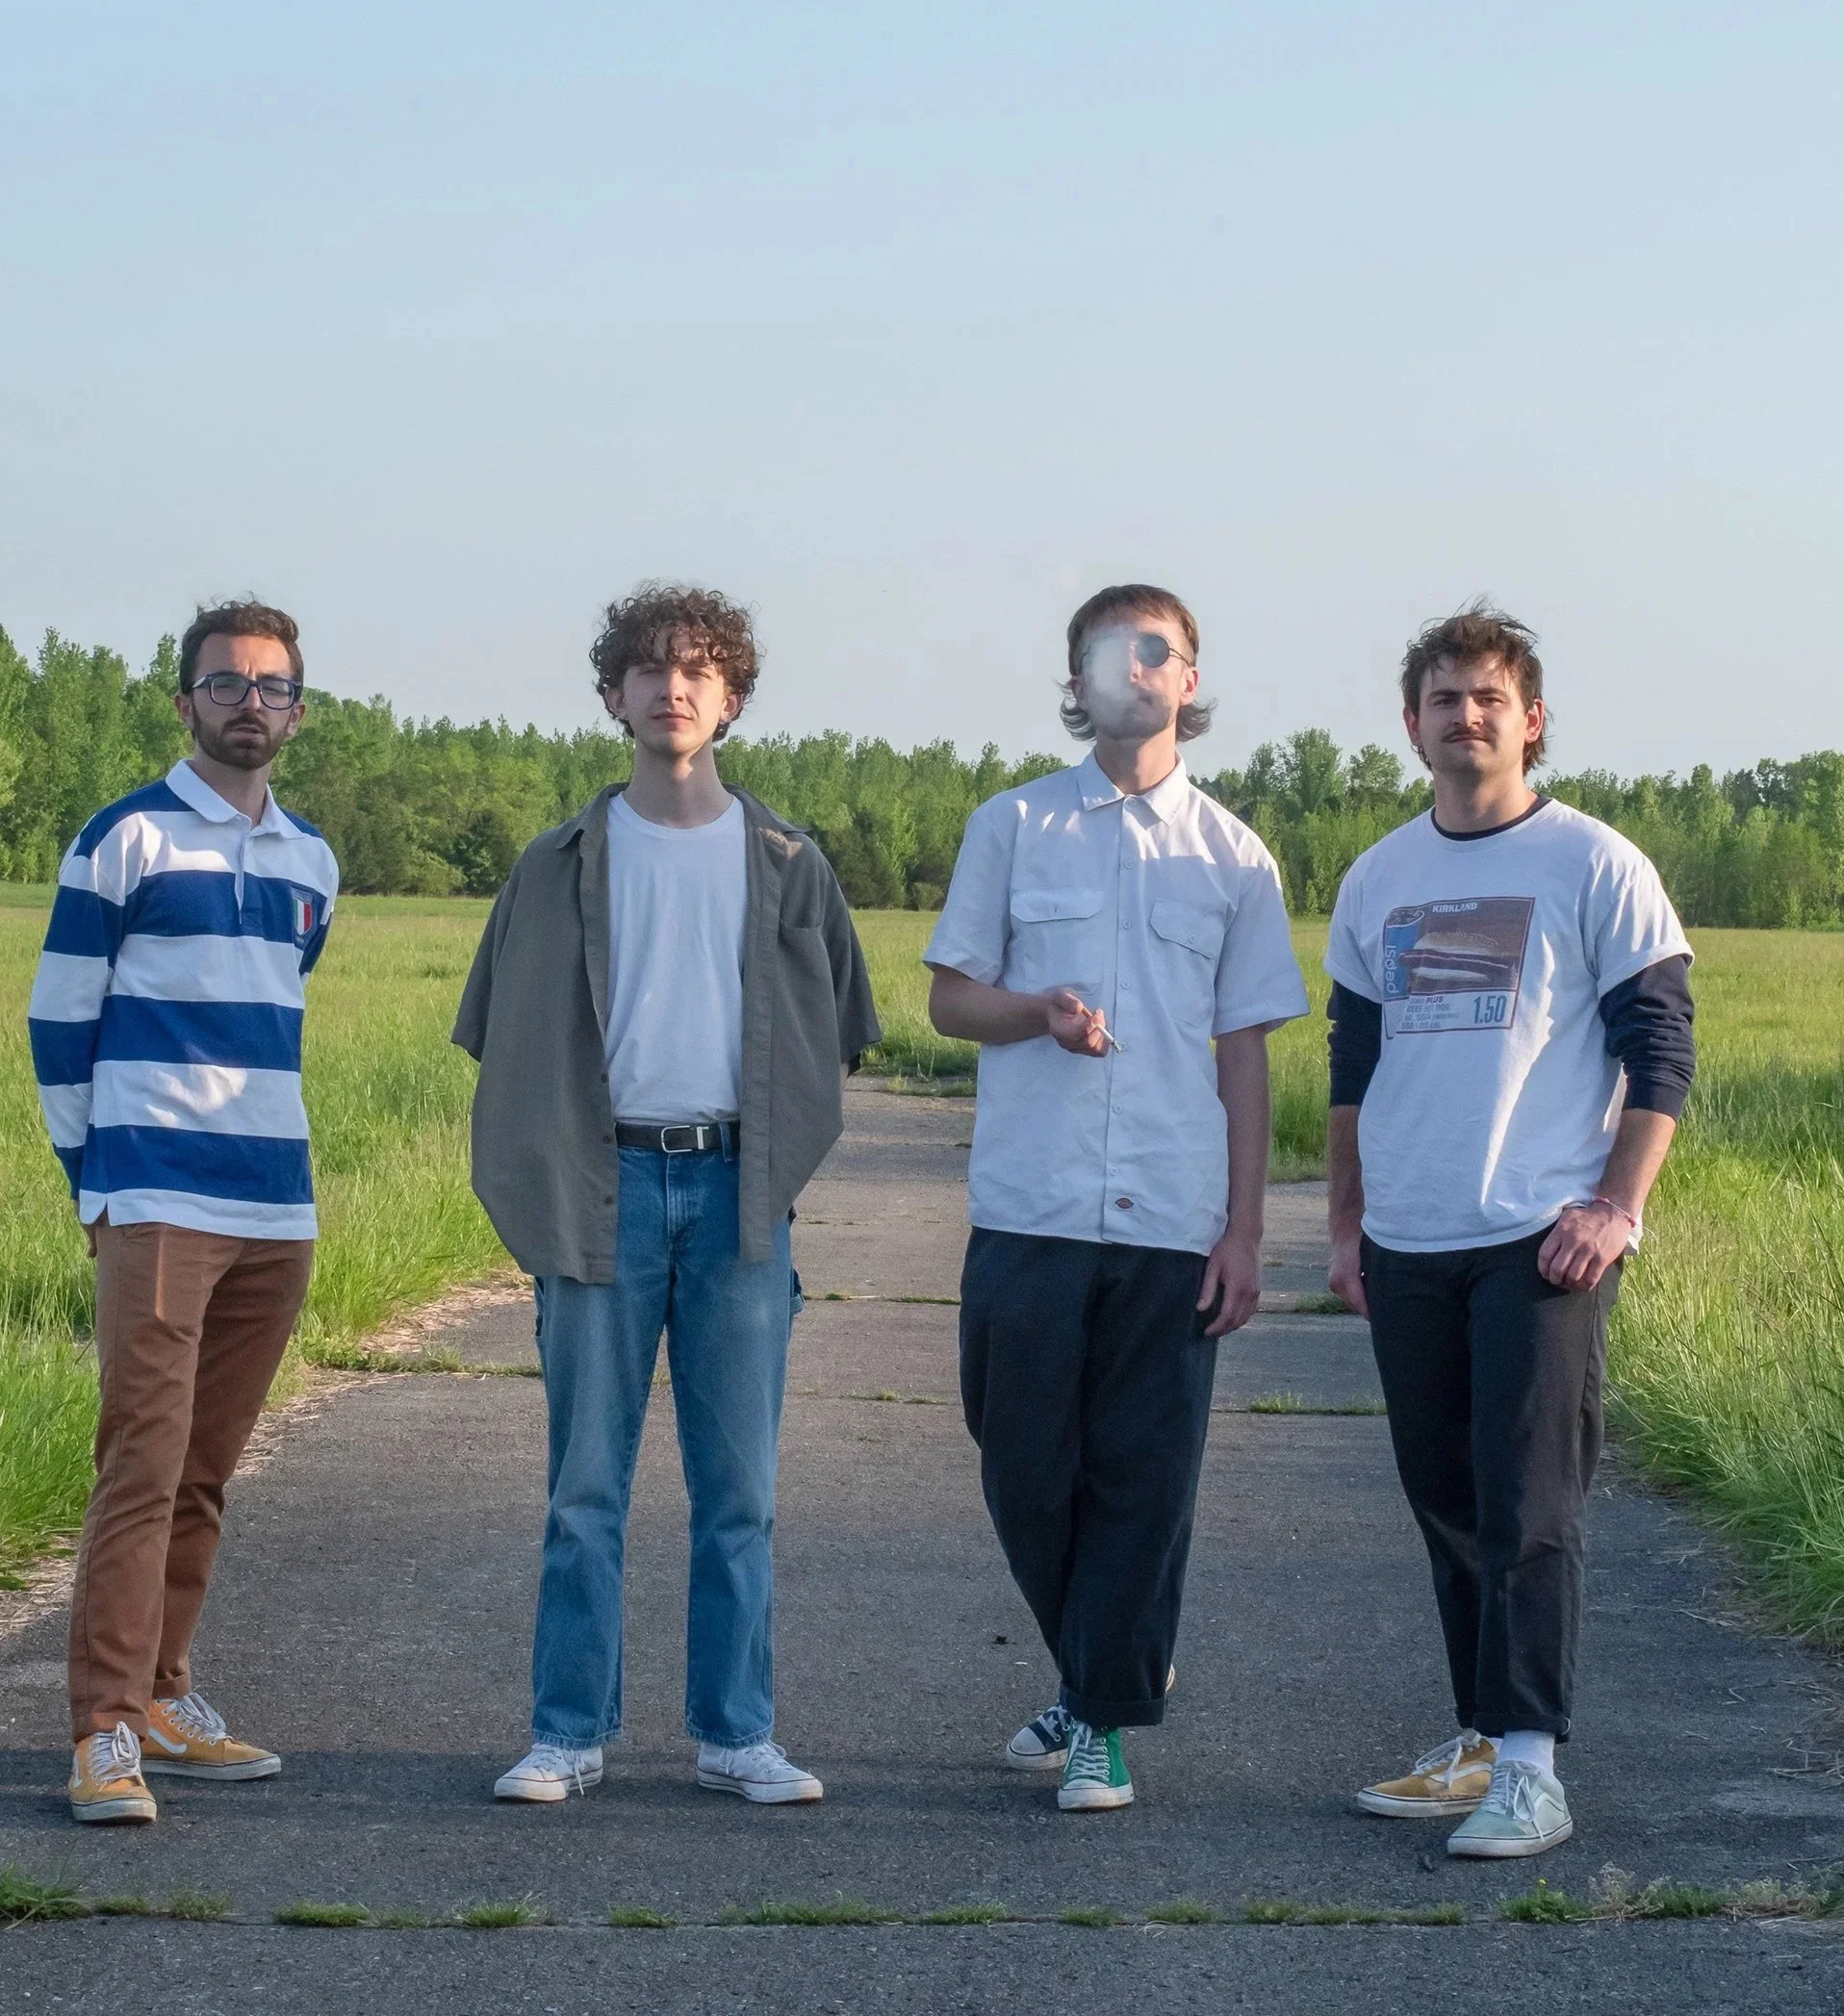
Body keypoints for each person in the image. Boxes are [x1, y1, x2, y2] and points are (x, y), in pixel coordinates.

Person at [455, 582, 880, 1807]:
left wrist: (777, 1151)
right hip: (603, 1188)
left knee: (738, 1491)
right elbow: (507, 1036)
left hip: (739, 1193)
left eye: (697, 666)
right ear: (613, 696)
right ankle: (566, 1730)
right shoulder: (554, 865)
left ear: (730, 696)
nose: (672, 685)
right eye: (648, 667)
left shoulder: (790, 863)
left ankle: (736, 1730)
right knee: (585, 1487)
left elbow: (838, 1025)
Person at [925, 583, 1308, 1812]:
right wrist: (1035, 1012)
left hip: (1171, 1213)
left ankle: (1102, 1718)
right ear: (1075, 680)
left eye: (1162, 650)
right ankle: (1109, 1661)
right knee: (1022, 1464)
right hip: (1029, 1205)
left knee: (1145, 1472)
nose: (1136, 667)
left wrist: (1246, 1231)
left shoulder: (1236, 856)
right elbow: (950, 1000)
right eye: (1111, 649)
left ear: (1189, 681)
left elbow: (1245, 1053)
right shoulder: (1014, 826)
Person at [1326, 603, 1694, 1858]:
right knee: (1447, 1498)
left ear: (1531, 719)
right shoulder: (1379, 876)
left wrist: (1617, 1203)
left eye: (1489, 695)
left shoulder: (1594, 864)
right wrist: (1345, 1224)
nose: (1465, 714)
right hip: (1411, 1239)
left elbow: (1662, 1047)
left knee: (1531, 1502)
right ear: (1412, 721)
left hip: (1540, 1239)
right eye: (1444, 695)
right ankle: (1483, 1737)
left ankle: (1534, 1767)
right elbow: (1352, 1065)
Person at [28, 600, 338, 1824]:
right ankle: (101, 1730)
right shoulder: (126, 838)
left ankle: (163, 1691)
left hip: (275, 1202)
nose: (247, 703)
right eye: (224, 684)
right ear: (185, 702)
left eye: (270, 687)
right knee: (141, 1463)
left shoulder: (312, 857)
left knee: (207, 1469)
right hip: (156, 1199)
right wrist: (94, 1178)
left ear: (298, 711)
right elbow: (60, 1022)